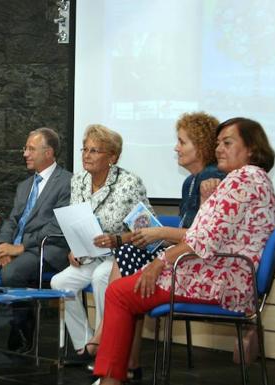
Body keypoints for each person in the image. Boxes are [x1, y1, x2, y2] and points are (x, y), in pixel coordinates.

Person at [93, 117, 275, 385]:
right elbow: (208, 232)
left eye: (228, 143)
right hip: (224, 275)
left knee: (120, 293)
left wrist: (158, 262)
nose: (219, 149)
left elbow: (203, 238)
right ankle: (118, 373)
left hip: (221, 281)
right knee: (122, 290)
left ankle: (112, 378)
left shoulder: (243, 179)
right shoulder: (251, 179)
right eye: (218, 143)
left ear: (251, 149)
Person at [86, 112, 226, 380]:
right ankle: (127, 359)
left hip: (192, 262)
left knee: (126, 259)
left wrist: (157, 234)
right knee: (128, 253)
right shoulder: (190, 182)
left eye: (182, 142)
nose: (176, 147)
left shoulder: (212, 178)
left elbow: (201, 237)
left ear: (201, 145)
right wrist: (151, 235)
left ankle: (114, 349)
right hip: (178, 253)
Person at [50, 124, 151, 363]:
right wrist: (73, 249)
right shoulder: (79, 181)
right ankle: (85, 345)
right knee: (59, 282)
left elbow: (146, 229)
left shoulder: (129, 183)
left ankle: (106, 347)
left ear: (112, 157)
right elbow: (76, 220)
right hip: (89, 255)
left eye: (94, 151)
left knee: (101, 278)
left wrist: (117, 239)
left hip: (121, 257)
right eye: (84, 149)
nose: (86, 155)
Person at [0, 127, 72, 351]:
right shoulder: (24, 186)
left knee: (12, 273)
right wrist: (1, 247)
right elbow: (12, 220)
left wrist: (20, 247)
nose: (25, 153)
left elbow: (57, 226)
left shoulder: (67, 182)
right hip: (15, 248)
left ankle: (21, 332)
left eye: (31, 149)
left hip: (44, 249)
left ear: (49, 153)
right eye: (26, 148)